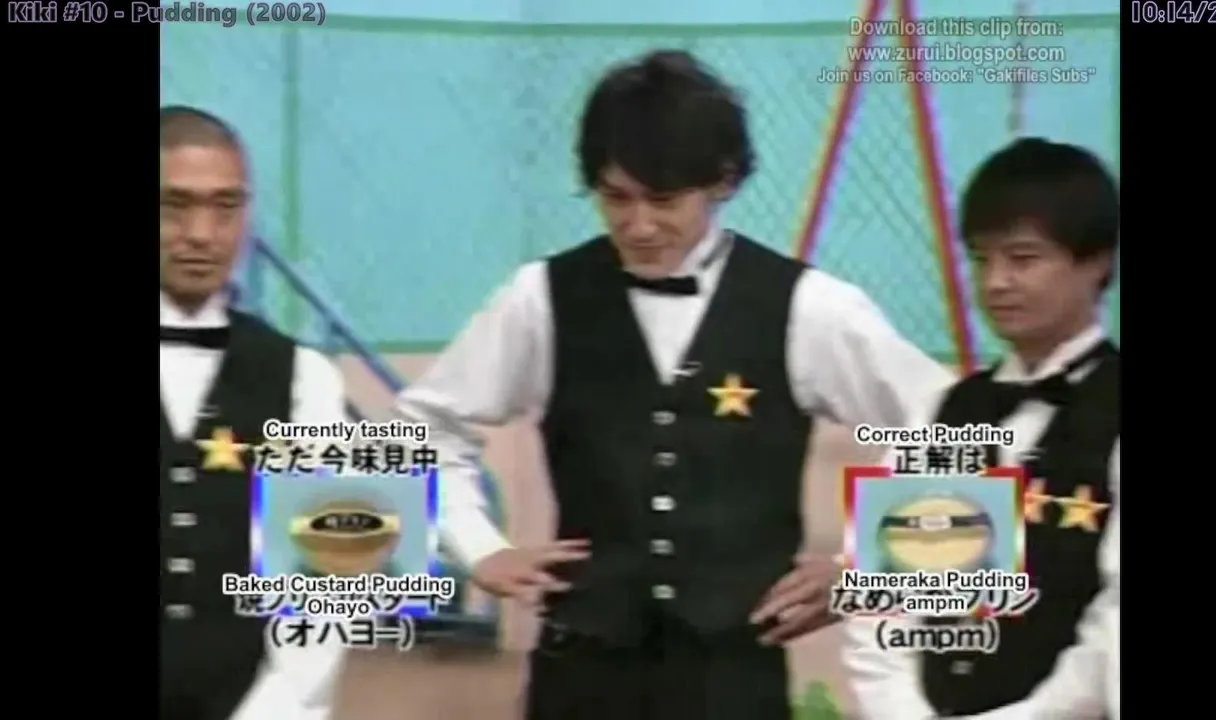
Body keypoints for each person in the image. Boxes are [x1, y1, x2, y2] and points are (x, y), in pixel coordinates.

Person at [394, 50, 954, 720]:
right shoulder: (539, 298)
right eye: (615, 198)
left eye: (663, 201)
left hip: (734, 679)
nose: (638, 226)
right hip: (581, 674)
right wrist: (479, 548)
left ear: (722, 181)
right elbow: (420, 428)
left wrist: (867, 571)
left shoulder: (810, 308)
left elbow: (958, 427)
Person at [844, 138, 1121, 719]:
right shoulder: (949, 410)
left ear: (1096, 262)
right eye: (980, 259)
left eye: (1022, 259)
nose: (996, 282)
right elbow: (888, 602)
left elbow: (1113, 626)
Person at [159, 105, 347, 720]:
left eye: (226, 207)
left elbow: (336, 578)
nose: (201, 234)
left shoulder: (309, 377)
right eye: (174, 205)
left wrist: (279, 707)